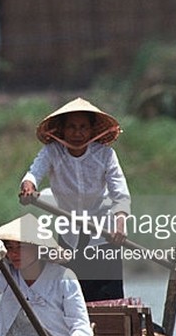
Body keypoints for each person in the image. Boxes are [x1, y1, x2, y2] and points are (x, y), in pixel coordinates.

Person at [18, 97, 131, 302]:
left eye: (83, 127)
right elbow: (34, 173)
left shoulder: (105, 155)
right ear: (62, 130)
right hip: (69, 231)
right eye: (71, 127)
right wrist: (28, 187)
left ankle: (111, 332)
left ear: (91, 130)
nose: (77, 133)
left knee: (108, 296)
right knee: (72, 292)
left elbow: (120, 192)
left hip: (103, 232)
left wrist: (120, 223)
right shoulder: (52, 152)